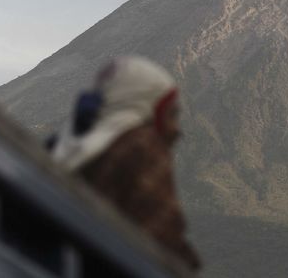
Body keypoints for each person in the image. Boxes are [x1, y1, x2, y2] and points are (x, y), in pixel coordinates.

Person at [51, 56, 201, 271]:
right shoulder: (142, 148)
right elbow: (163, 237)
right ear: (148, 106)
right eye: (171, 113)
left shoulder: (70, 145)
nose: (177, 128)